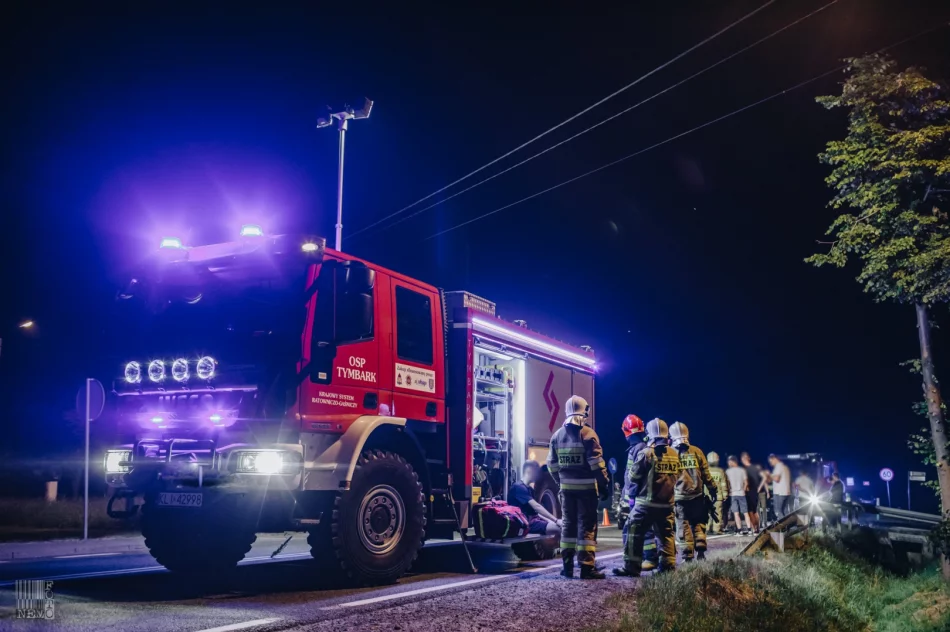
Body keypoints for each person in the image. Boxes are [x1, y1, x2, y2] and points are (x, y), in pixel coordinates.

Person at [547, 395, 610, 579]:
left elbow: (552, 465)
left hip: (566, 491)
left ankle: (567, 567)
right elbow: (597, 465)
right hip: (587, 492)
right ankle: (586, 567)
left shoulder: (557, 436)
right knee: (586, 528)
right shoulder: (588, 434)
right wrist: (604, 484)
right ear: (585, 411)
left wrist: (561, 482)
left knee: (568, 526)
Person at [614, 419, 679, 577]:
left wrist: (632, 495)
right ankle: (667, 566)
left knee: (632, 531)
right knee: (666, 534)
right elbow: (679, 476)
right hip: (667, 504)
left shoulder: (647, 453)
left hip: (646, 504)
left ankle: (631, 567)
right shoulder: (674, 453)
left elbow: (633, 476)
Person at [670, 422, 718, 562]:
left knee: (683, 526)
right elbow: (706, 474)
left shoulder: (671, 453)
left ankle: (687, 557)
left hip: (679, 498)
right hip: (697, 497)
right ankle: (701, 552)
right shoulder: (697, 451)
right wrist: (713, 490)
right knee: (698, 524)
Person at [618, 414, 660, 570]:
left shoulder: (639, 450)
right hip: (639, 496)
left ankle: (646, 559)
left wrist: (631, 498)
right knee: (643, 528)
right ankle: (645, 557)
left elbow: (634, 476)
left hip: (638, 497)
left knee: (638, 529)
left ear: (627, 432)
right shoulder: (642, 448)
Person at [509, 460, 562, 536]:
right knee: (562, 528)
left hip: (533, 521)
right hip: (526, 523)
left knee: (563, 526)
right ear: (530, 470)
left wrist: (551, 521)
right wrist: (556, 521)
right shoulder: (518, 487)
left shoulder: (529, 489)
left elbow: (536, 512)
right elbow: (537, 507)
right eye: (537, 471)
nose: (539, 475)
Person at [725, 455, 753, 535]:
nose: (728, 463)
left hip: (733, 494)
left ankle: (739, 530)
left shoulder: (728, 471)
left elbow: (727, 484)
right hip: (742, 494)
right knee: (745, 512)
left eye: (729, 462)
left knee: (736, 513)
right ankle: (749, 530)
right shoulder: (742, 470)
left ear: (732, 462)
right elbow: (746, 483)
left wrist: (729, 491)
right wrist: (743, 490)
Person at [706, 451, 728, 535]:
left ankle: (707, 529)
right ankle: (716, 529)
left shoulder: (705, 470)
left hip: (707, 497)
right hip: (718, 497)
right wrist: (725, 495)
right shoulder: (720, 471)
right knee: (718, 513)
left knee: (707, 513)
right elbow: (723, 484)